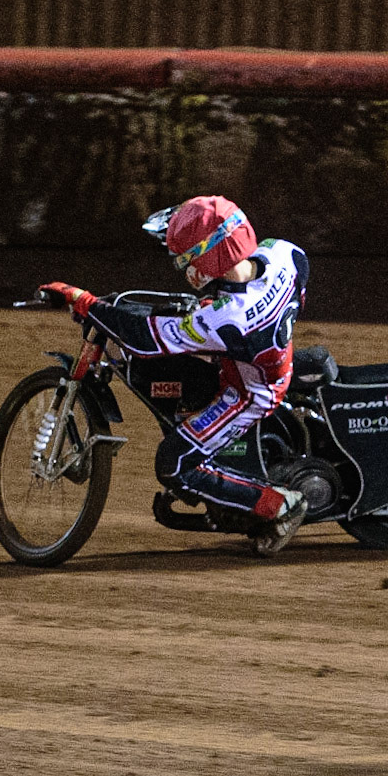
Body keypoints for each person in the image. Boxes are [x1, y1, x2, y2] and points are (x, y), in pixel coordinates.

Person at [38, 195, 311, 555]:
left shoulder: (228, 319)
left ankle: (279, 505)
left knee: (174, 463)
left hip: (251, 392)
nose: (181, 265)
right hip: (257, 354)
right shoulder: (284, 255)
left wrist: (83, 302)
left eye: (184, 258)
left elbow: (145, 337)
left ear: (206, 259)